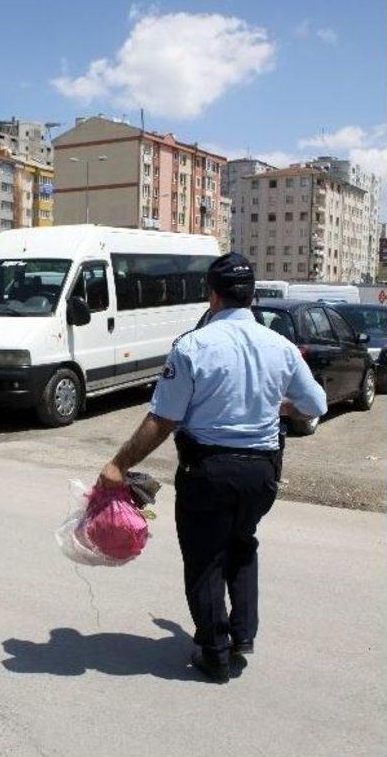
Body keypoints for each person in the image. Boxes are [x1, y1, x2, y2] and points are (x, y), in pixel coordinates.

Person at [98, 253, 327, 683]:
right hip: (262, 473)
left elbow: (162, 419)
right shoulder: (280, 346)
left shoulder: (193, 346)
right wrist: (275, 405)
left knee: (205, 560)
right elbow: (315, 405)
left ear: (211, 294)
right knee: (242, 544)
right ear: (253, 295)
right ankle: (241, 636)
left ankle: (214, 652)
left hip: (209, 469)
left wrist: (118, 463)